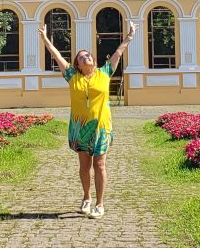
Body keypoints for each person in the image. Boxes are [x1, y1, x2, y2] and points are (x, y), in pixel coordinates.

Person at [38, 20, 137, 218]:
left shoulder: (105, 72)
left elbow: (118, 53)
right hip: (80, 127)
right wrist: (45, 40)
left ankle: (100, 204)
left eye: (88, 55)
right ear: (77, 64)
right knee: (84, 166)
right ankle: (86, 198)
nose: (87, 57)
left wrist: (129, 36)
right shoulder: (72, 76)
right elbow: (56, 56)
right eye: (82, 56)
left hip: (101, 127)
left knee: (100, 164)